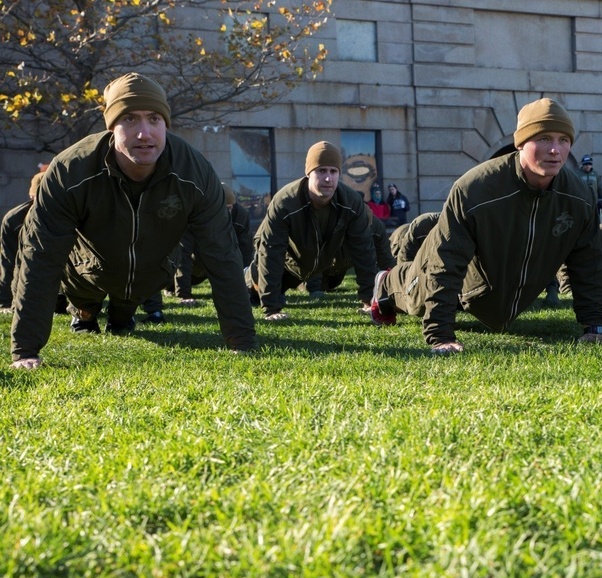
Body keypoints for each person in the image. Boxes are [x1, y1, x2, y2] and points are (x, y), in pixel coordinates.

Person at [9, 72, 257, 369]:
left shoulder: (195, 174)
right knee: (86, 304)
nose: (144, 133)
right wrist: (25, 350)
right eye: (129, 119)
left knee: (123, 317)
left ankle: (122, 315)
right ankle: (85, 312)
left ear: (165, 123)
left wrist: (241, 342)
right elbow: (40, 256)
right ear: (111, 126)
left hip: (150, 276)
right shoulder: (70, 172)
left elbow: (223, 255)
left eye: (154, 119)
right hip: (87, 272)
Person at [370, 97, 602, 354]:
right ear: (521, 143)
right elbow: (447, 260)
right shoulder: (474, 190)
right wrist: (440, 334)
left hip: (492, 290)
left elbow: (588, 262)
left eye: (563, 140)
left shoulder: (578, 197)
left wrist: (593, 327)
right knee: (416, 297)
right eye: (544, 139)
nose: (555, 150)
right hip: (458, 276)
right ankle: (386, 282)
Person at [245, 141, 379, 320]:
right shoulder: (285, 202)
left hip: (314, 269)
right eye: (321, 171)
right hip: (282, 266)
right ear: (308, 173)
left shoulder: (352, 203)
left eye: (333, 171)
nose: (328, 178)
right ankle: (246, 278)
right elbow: (271, 252)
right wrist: (271, 308)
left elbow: (364, 251)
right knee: (250, 292)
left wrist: (369, 301)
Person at [173, 183, 254, 306]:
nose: (228, 212)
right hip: (194, 265)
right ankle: (170, 288)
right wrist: (184, 294)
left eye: (230, 208)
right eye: (224, 208)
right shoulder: (194, 215)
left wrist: (247, 287)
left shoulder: (240, 215)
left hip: (220, 260)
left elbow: (246, 250)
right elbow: (183, 255)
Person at [0, 172, 44, 312]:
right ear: (32, 197)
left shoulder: (68, 216)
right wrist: (5, 302)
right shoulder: (14, 220)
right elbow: (8, 261)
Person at [578, 154, 602, 219]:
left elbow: (600, 187)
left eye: (589, 164)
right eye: (586, 165)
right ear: (583, 165)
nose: (588, 166)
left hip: (594, 202)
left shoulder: (595, 174)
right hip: (582, 202)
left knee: (594, 220)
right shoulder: (577, 174)